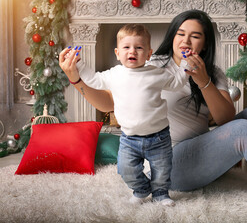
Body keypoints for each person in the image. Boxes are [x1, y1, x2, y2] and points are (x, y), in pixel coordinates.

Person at [60, 10, 247, 203]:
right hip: (172, 162)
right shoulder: (151, 65)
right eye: (180, 33)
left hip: (204, 153)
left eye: (195, 35)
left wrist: (203, 81)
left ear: (204, 44)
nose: (186, 40)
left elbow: (225, 118)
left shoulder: (211, 71)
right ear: (172, 37)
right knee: (243, 129)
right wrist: (78, 81)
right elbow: (109, 103)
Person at [61, 24, 191, 206]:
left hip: (159, 136)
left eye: (139, 47)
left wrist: (186, 64)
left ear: (148, 53)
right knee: (125, 169)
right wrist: (79, 63)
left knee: (162, 170)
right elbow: (93, 80)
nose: (133, 51)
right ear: (117, 52)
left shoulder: (156, 74)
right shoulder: (115, 74)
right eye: (127, 47)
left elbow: (177, 82)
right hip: (130, 138)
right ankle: (141, 189)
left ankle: (161, 193)